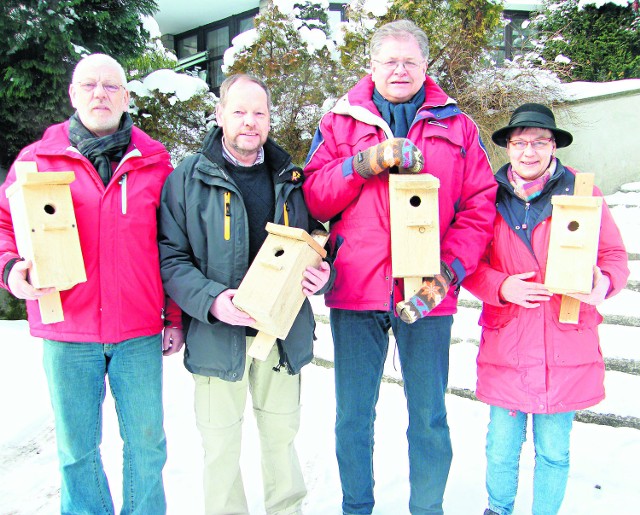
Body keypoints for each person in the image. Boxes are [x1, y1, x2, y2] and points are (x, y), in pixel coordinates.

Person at [302, 19, 497, 515]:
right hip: (356, 292)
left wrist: (448, 273)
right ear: (371, 66)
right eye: (389, 61)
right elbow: (316, 197)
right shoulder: (341, 123)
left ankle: (427, 508)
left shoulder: (458, 126)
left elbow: (478, 207)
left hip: (428, 294)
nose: (399, 70)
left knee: (429, 416)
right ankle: (356, 507)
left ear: (426, 65)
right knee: (352, 418)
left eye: (410, 61)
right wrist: (363, 162)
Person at [0, 53, 184, 514]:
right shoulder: (36, 160)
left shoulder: (156, 164)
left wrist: (174, 317)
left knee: (146, 447)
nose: (99, 94)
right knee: (76, 451)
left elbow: (174, 245)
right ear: (73, 94)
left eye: (110, 86)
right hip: (68, 330)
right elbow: (4, 224)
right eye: (89, 85)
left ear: (126, 96)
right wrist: (10, 269)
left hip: (137, 330)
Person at [158, 73, 332, 515]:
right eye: (239, 111)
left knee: (281, 442)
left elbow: (319, 239)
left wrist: (321, 273)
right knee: (219, 449)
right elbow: (171, 260)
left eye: (259, 113)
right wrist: (213, 301)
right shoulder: (187, 180)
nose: (249, 122)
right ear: (220, 115)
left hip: (281, 336)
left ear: (270, 120)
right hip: (217, 339)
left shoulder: (293, 179)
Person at [463, 103, 629, 515]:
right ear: (507, 149)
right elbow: (467, 263)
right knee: (501, 448)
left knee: (553, 451)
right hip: (509, 343)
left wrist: (601, 282)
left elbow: (613, 256)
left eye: (539, 142)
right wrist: (502, 286)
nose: (529, 152)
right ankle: (498, 510)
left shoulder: (583, 193)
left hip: (564, 343)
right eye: (520, 143)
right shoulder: (488, 198)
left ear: (553, 146)